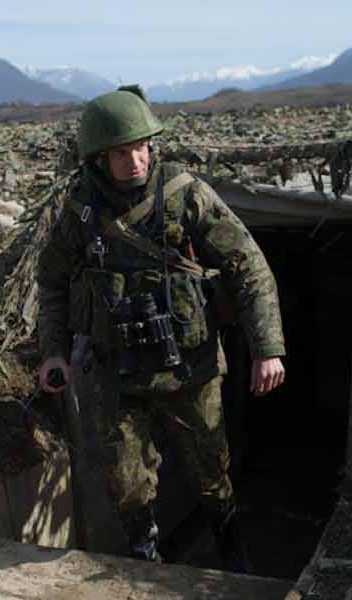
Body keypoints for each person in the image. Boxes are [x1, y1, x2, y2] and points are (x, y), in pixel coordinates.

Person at [36, 85, 286, 571]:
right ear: (97, 160)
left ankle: (233, 560)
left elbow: (247, 265)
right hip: (116, 375)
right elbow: (52, 281)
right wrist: (53, 351)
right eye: (122, 152)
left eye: (142, 147)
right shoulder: (81, 212)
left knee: (213, 476)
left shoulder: (184, 194)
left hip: (188, 369)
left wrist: (267, 348)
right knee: (127, 487)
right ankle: (146, 567)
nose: (135, 160)